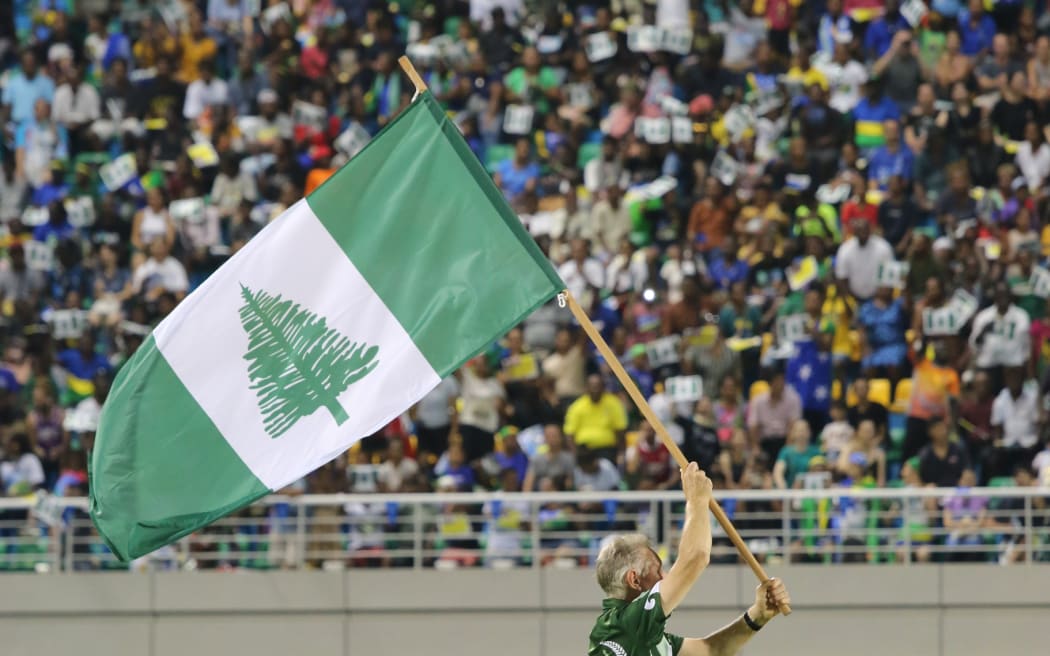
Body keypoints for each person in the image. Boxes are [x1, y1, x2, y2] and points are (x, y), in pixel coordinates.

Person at [589, 463, 790, 656]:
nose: (665, 575)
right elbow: (695, 557)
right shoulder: (628, 624)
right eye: (657, 570)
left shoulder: (635, 632)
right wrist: (696, 501)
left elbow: (712, 651)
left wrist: (756, 616)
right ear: (634, 580)